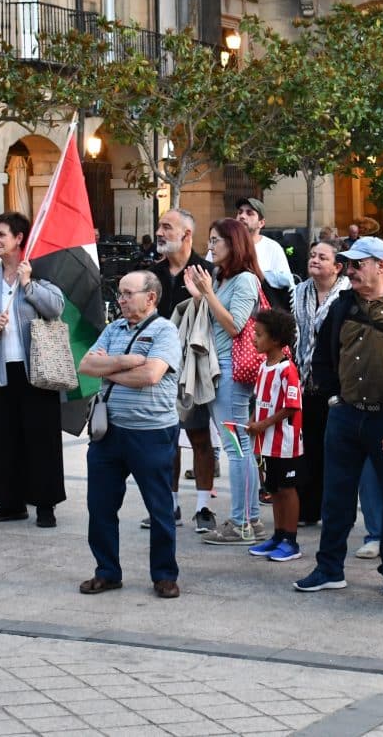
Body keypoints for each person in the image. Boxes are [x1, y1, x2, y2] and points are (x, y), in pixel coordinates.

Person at [295, 235, 383, 596]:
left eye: (358, 264)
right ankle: (329, 569)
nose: (350, 270)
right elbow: (322, 353)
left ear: (382, 267)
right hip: (346, 415)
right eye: (349, 264)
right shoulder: (342, 305)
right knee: (335, 498)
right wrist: (332, 395)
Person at [77, 270, 185, 599]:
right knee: (100, 505)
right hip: (109, 431)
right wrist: (124, 361)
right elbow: (85, 366)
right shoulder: (113, 329)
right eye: (120, 293)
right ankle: (107, 572)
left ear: (150, 298)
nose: (121, 300)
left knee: (159, 507)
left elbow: (151, 375)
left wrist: (108, 370)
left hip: (151, 432)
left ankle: (164, 575)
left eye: (128, 293)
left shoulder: (165, 331)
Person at [0, 211, 67, 528]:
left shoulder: (39, 273)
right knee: (4, 437)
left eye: (1, 235)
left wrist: (28, 285)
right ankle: (10, 502)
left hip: (36, 370)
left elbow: (55, 308)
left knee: (41, 439)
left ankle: (45, 504)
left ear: (19, 238)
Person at [185, 218, 266, 544]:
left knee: (236, 449)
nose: (211, 246)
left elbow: (234, 326)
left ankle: (242, 522)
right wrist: (201, 295)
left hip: (234, 374)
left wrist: (208, 293)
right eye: (211, 239)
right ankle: (251, 520)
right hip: (222, 371)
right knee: (239, 447)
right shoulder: (222, 280)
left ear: (235, 244)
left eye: (217, 240)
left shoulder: (245, 280)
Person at [152, 208, 219, 533]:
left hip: (193, 364)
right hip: (158, 368)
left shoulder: (207, 272)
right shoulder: (151, 273)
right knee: (167, 438)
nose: (160, 232)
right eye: (160, 226)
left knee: (198, 435)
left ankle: (204, 507)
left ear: (187, 235)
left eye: (167, 227)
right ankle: (170, 505)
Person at [291, 240, 350, 527]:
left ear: (337, 267)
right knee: (308, 447)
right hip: (303, 381)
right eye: (312, 255)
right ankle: (308, 509)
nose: (314, 260)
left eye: (322, 257)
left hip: (335, 381)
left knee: (334, 450)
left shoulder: (348, 294)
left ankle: (334, 510)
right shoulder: (299, 291)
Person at [245, 308, 305, 562]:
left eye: (259, 335)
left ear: (277, 339)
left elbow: (292, 406)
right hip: (265, 441)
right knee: (274, 489)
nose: (254, 339)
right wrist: (253, 422)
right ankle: (278, 535)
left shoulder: (287, 369)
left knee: (287, 489)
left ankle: (291, 540)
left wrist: (265, 423)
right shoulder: (263, 367)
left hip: (285, 442)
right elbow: (260, 400)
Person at [234, 197, 293, 289]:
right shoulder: (223, 244)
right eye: (240, 212)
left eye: (249, 213)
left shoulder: (273, 247)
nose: (242, 216)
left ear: (261, 223)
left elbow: (287, 281)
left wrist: (259, 275)